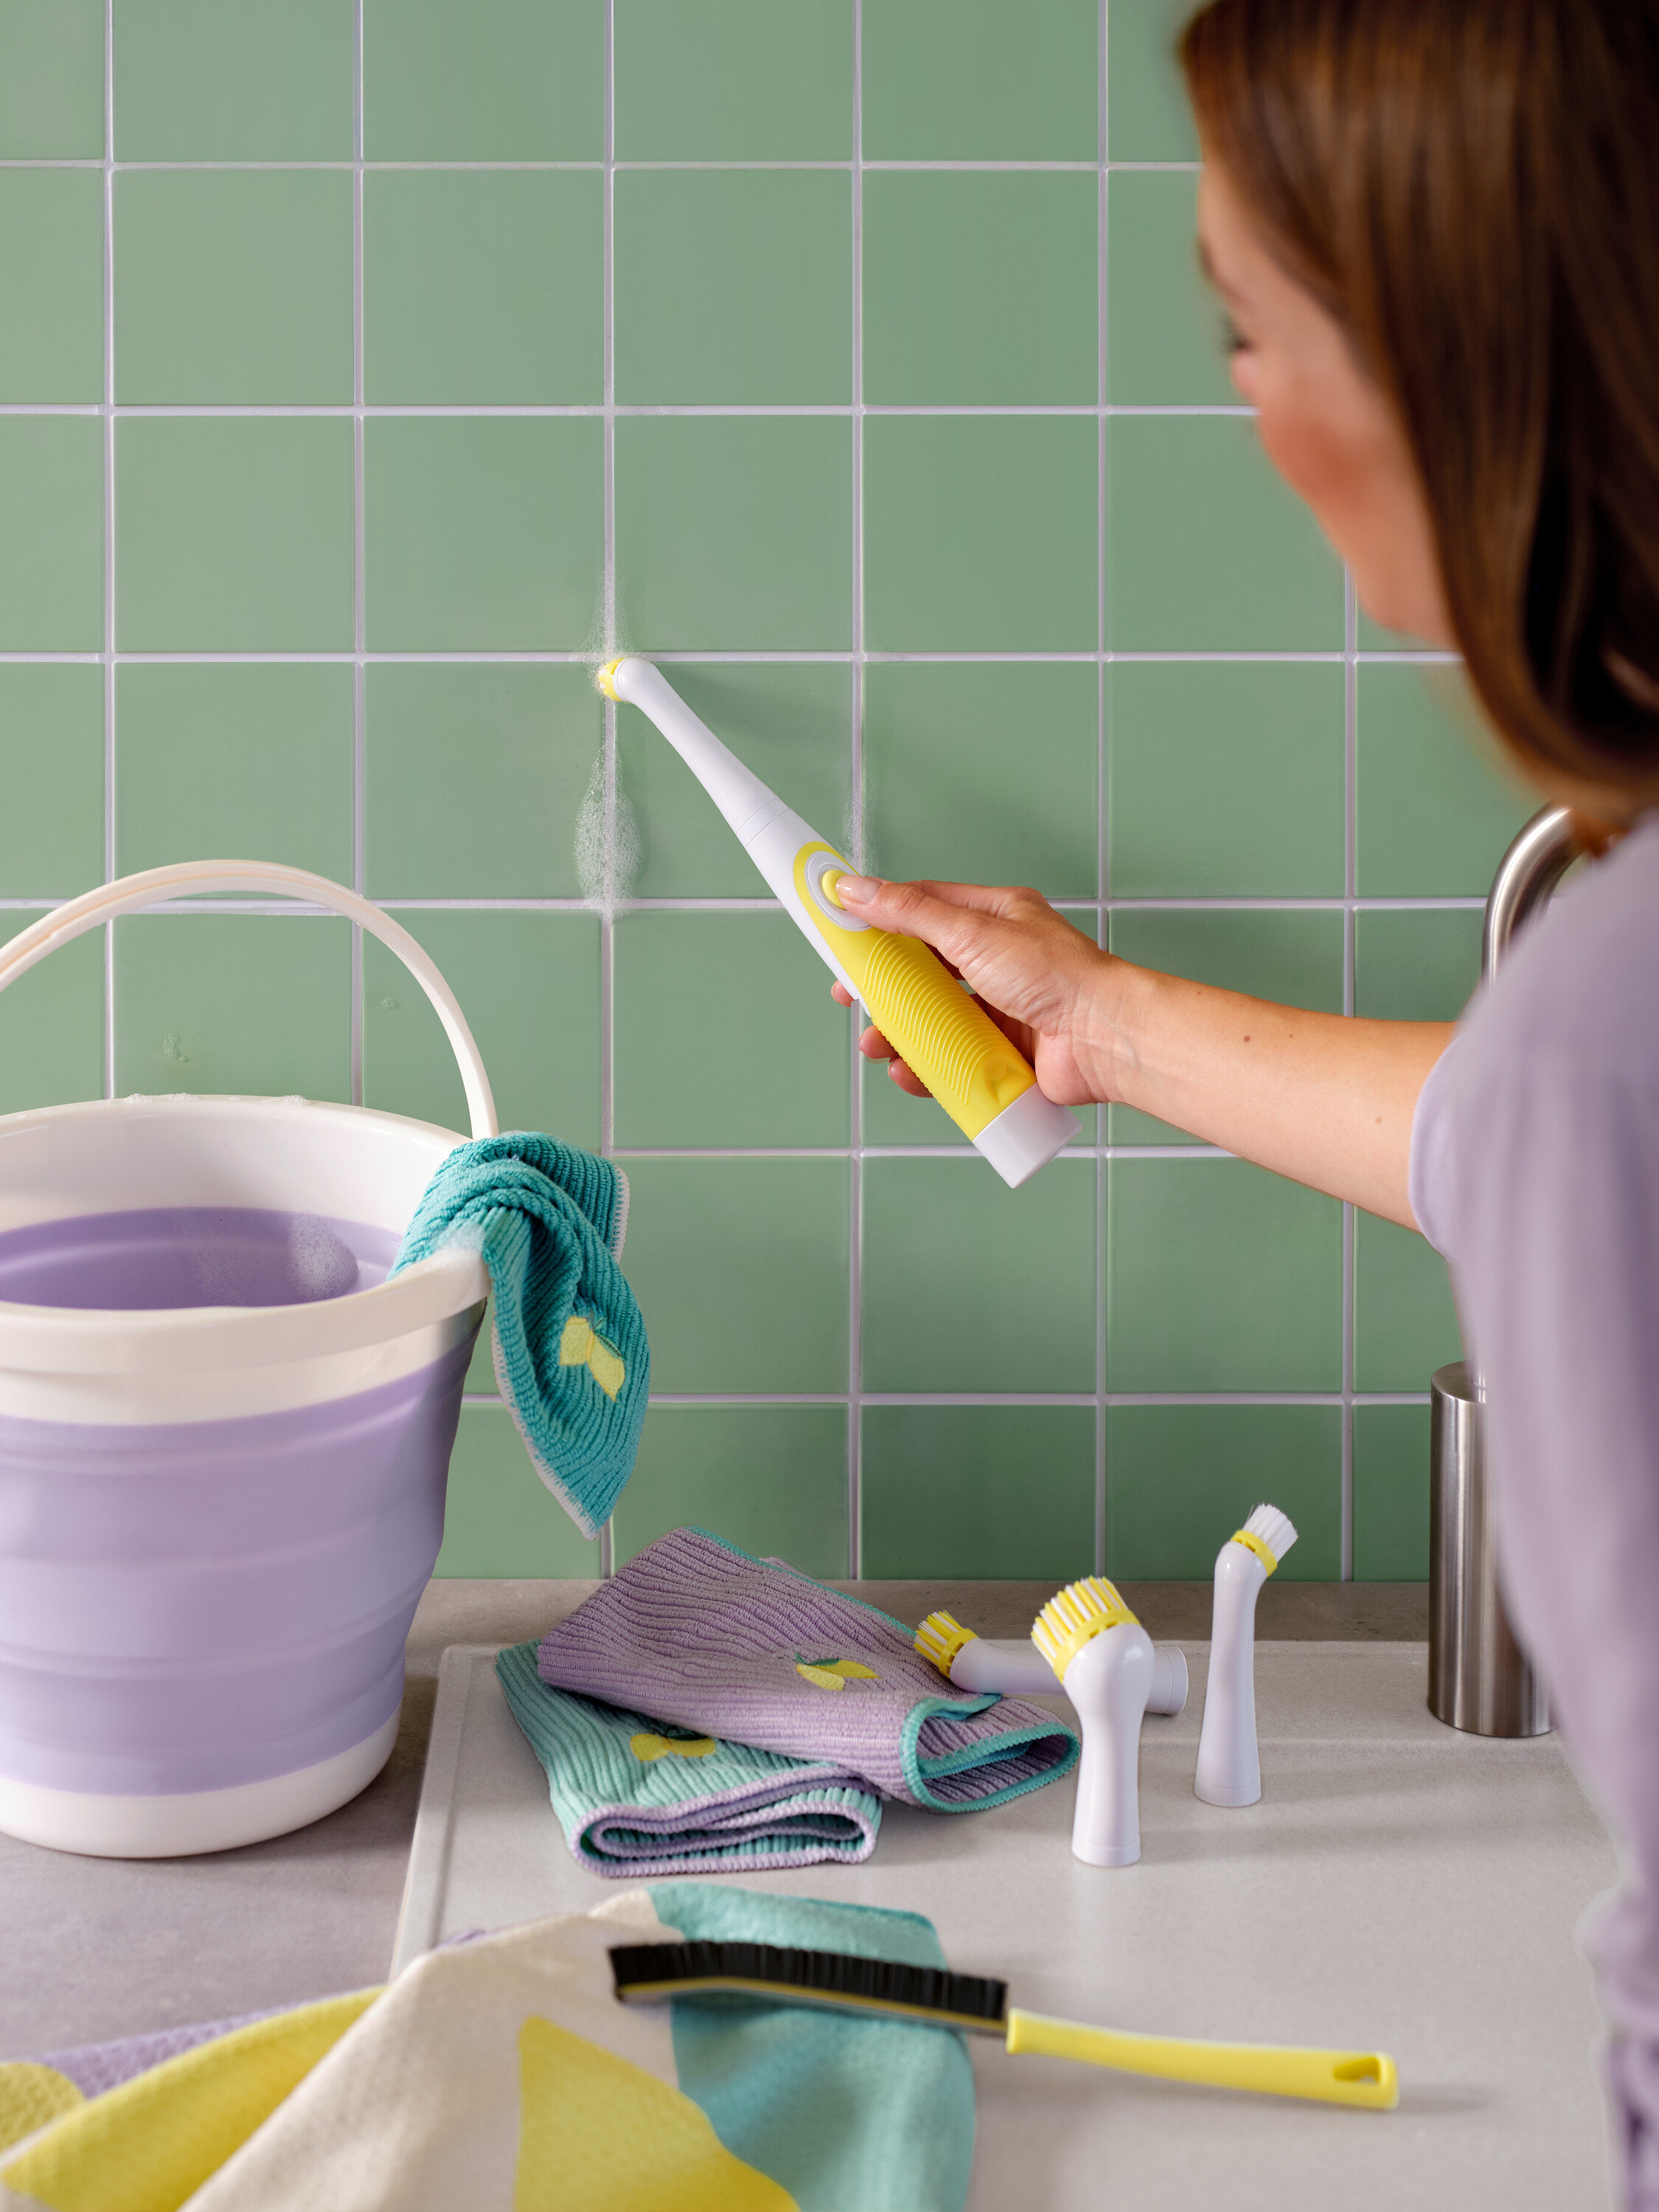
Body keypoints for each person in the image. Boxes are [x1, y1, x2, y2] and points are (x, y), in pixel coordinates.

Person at [830, 1, 1659, 2198]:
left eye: (1245, 330)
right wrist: (1097, 1023)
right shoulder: (1598, 1041)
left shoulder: (1607, 1025)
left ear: (1456, 375)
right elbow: (1521, 1132)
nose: (1246, 412)